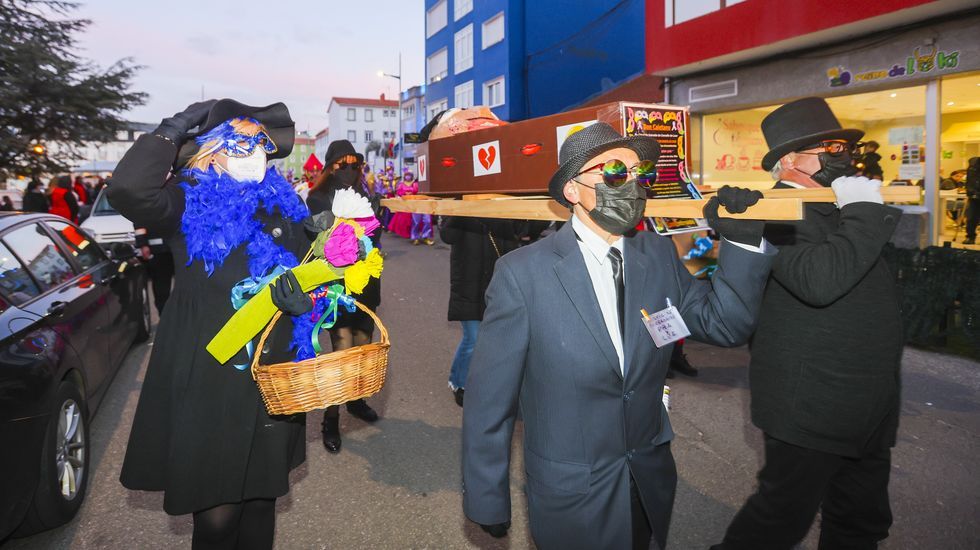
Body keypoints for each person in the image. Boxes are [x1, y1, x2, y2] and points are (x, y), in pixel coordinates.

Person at [461, 122, 776, 549]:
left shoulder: (657, 254)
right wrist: (487, 497)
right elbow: (489, 400)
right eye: (613, 171)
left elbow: (725, 323)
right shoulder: (523, 274)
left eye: (639, 172)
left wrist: (742, 243)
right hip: (572, 491)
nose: (631, 184)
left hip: (646, 478)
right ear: (573, 189)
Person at [110, 99, 314, 550]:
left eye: (262, 143)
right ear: (212, 152)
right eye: (242, 143)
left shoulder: (281, 206)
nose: (257, 153)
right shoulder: (186, 201)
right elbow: (128, 191)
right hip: (211, 373)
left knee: (262, 501)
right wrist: (174, 127)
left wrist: (307, 302)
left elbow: (309, 271)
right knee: (219, 515)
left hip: (270, 371)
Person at [712, 97, 905, 550]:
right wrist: (861, 211)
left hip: (869, 403)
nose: (844, 156)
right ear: (787, 161)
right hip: (812, 403)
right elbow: (821, 281)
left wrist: (855, 209)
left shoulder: (837, 204)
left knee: (860, 521)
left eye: (844, 147)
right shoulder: (773, 210)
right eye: (829, 147)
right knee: (776, 523)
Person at [306, 139, 381, 454]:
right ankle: (331, 419)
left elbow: (376, 240)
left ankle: (356, 400)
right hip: (336, 288)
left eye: (355, 165)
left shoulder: (366, 196)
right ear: (329, 167)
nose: (350, 170)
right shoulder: (317, 197)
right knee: (341, 353)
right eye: (342, 164)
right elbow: (318, 239)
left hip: (365, 285)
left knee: (362, 349)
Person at [439, 216, 522, 406]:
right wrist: (457, 212)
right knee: (473, 339)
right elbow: (447, 235)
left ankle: (489, 381)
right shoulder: (462, 206)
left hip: (499, 283)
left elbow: (522, 231)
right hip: (469, 284)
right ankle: (459, 382)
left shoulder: (504, 204)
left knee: (497, 339)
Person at [135, 225, 174, 315]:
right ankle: (164, 315)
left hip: (181, 247)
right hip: (158, 250)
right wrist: (143, 244)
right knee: (161, 286)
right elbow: (139, 221)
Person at [964, 156, 979, 245]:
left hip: (973, 195)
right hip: (974, 195)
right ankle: (970, 237)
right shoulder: (973, 165)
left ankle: (970, 237)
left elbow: (969, 182)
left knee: (971, 218)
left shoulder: (972, 166)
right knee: (971, 218)